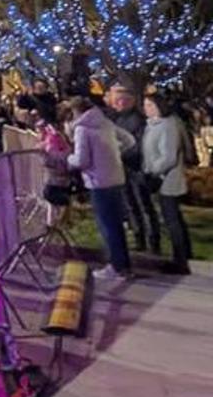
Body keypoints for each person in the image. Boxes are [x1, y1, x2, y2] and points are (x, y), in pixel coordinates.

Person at [63, 96, 135, 279]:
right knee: (116, 224)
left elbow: (81, 160)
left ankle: (116, 267)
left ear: (75, 112)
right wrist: (112, 154)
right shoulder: (105, 122)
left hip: (98, 181)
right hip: (115, 176)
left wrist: (67, 158)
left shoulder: (82, 129)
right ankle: (124, 265)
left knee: (107, 226)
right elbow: (129, 140)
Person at [105, 82, 161, 255]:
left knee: (143, 205)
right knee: (130, 204)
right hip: (124, 168)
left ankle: (153, 241)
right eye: (116, 99)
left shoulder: (137, 120)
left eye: (122, 99)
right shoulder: (116, 118)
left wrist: (119, 154)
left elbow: (138, 146)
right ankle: (139, 238)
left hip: (137, 168)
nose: (118, 103)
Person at [142, 92, 193, 275]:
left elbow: (169, 156)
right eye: (145, 105)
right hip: (158, 178)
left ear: (158, 106)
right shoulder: (153, 125)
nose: (145, 109)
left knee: (172, 220)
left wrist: (154, 170)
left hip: (167, 179)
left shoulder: (168, 126)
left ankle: (180, 259)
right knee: (173, 218)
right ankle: (184, 254)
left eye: (149, 105)